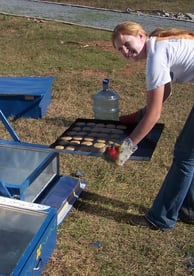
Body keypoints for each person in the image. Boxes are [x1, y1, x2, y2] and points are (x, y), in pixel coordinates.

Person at [108, 21, 194, 230]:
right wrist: (137, 115)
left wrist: (124, 150)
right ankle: (189, 210)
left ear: (140, 35)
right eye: (121, 50)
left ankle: (160, 218)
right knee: (189, 155)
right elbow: (166, 92)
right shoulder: (159, 43)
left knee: (184, 156)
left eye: (127, 44)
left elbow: (154, 115)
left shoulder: (156, 57)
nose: (126, 52)